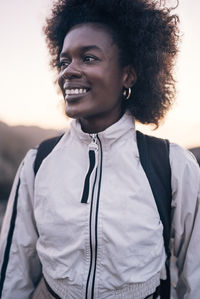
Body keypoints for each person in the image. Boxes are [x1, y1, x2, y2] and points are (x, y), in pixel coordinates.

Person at [0, 0, 200, 298]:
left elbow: (195, 277)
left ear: (128, 75)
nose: (69, 72)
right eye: (64, 61)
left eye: (89, 58)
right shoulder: (38, 163)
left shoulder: (173, 166)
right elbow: (14, 274)